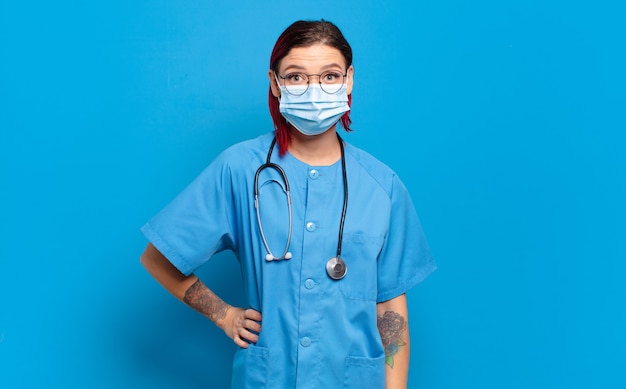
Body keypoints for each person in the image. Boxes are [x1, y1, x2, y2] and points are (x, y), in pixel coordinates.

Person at [140, 19, 436, 388]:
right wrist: (225, 315)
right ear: (275, 83)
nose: (314, 90)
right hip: (268, 378)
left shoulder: (383, 186)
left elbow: (391, 310)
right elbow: (158, 256)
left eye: (329, 76)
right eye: (296, 77)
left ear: (349, 80)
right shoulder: (240, 169)